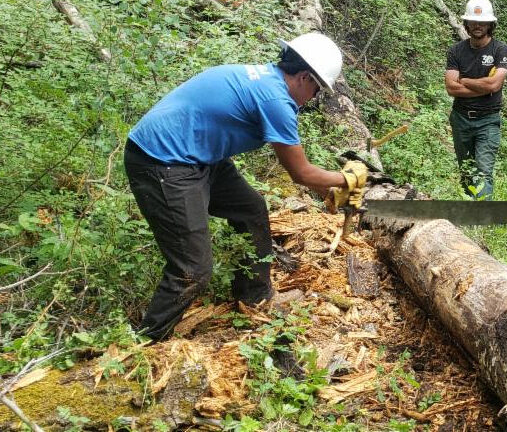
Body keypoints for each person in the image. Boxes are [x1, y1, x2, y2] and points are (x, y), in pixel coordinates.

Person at [124, 32, 367, 341]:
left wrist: (329, 191)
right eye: (317, 90)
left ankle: (254, 298)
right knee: (192, 270)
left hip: (199, 155)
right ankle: (145, 342)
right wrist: (349, 178)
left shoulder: (264, 77)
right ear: (305, 77)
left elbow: (303, 173)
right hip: (162, 161)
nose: (313, 99)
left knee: (250, 209)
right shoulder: (276, 100)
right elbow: (300, 173)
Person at [444, 0, 507, 199]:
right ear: (466, 23)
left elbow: (494, 84)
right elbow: (450, 88)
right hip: (461, 118)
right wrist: (483, 87)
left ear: (490, 24)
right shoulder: (455, 51)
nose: (477, 25)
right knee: (466, 170)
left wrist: (464, 80)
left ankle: (483, 218)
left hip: (488, 120)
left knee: (483, 171)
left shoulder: (501, 49)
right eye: (473, 21)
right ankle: (467, 218)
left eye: (482, 22)